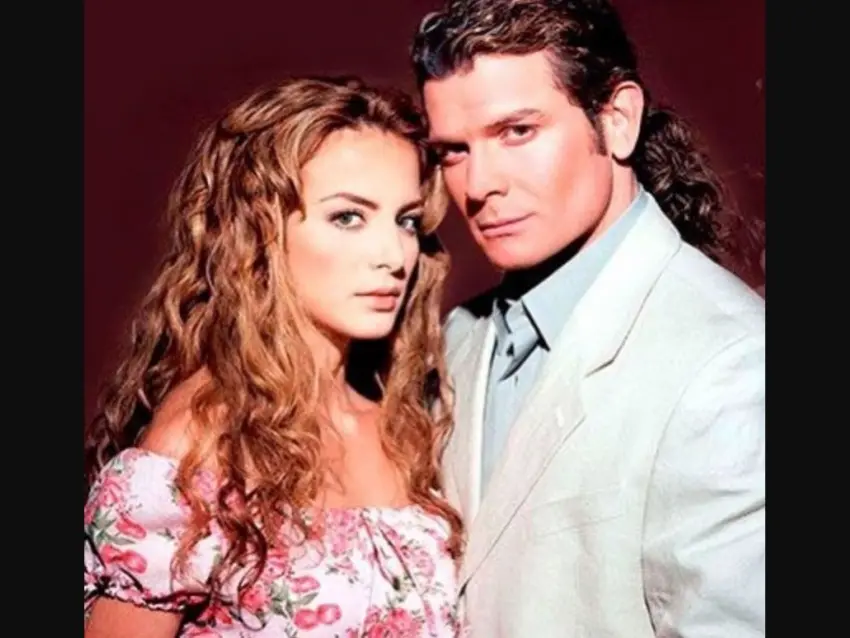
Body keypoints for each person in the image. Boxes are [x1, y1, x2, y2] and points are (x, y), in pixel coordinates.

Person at [410, 0, 765, 636]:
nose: (480, 184)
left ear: (618, 121)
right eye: (455, 151)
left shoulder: (734, 364)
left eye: (517, 131)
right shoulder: (457, 340)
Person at [83, 76, 466, 638]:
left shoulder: (404, 426)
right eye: (348, 217)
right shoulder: (199, 439)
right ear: (259, 233)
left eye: (406, 221)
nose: (393, 255)